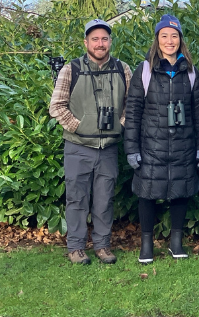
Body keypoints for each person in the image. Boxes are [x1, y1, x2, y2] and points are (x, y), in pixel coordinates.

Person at [124, 14, 199, 264]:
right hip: (151, 145)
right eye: (164, 36)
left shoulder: (191, 72)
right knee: (147, 193)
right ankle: (146, 245)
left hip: (183, 145)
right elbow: (133, 112)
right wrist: (131, 148)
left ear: (180, 40)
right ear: (157, 39)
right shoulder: (144, 70)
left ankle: (176, 243)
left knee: (180, 192)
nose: (169, 41)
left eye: (174, 36)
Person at [49, 18, 132, 265]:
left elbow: (131, 105)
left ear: (110, 42)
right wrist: (79, 127)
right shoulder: (71, 69)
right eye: (95, 39)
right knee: (76, 199)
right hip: (78, 147)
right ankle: (75, 247)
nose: (100, 43)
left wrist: (121, 124)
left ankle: (102, 245)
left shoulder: (123, 69)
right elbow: (57, 106)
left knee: (105, 200)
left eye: (104, 39)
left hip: (109, 148)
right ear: (86, 42)